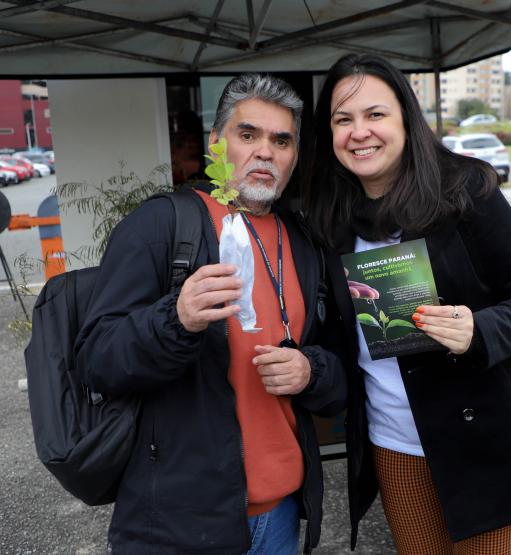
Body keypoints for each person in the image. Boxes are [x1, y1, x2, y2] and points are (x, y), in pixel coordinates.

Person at [303, 53, 511, 554]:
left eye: (375, 114)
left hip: (481, 437)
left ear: (406, 118)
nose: (359, 132)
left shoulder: (465, 189)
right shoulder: (331, 216)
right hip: (394, 443)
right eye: (343, 120)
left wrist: (480, 329)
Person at [75, 73, 347, 554]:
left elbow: (336, 364)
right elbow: (97, 361)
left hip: (281, 514)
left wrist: (310, 370)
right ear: (217, 143)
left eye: (281, 140)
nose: (265, 152)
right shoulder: (161, 224)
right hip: (178, 524)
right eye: (248, 135)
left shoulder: (303, 242)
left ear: (294, 156)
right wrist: (175, 319)